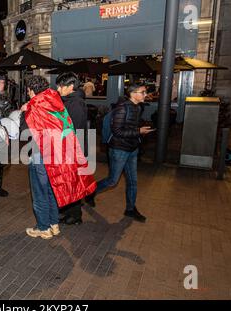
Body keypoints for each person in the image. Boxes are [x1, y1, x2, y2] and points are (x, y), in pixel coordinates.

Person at [21, 76, 96, 239]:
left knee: (39, 193)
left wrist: (23, 112)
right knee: (51, 189)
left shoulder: (35, 106)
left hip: (40, 154)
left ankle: (43, 227)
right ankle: (54, 224)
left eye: (28, 90)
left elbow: (24, 133)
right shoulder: (55, 102)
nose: (28, 93)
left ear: (32, 91)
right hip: (57, 154)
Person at [87, 83, 154, 222]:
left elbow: (129, 126)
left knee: (132, 181)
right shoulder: (122, 109)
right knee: (112, 181)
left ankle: (130, 209)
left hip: (132, 149)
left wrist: (140, 130)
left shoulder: (137, 107)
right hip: (119, 150)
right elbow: (117, 131)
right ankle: (90, 193)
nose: (145, 95)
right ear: (133, 93)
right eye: (143, 92)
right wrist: (138, 131)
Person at [55, 72, 88, 225]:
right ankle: (66, 211)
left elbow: (74, 128)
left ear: (71, 87)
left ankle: (75, 215)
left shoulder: (76, 103)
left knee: (72, 183)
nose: (58, 89)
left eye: (61, 86)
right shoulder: (67, 100)